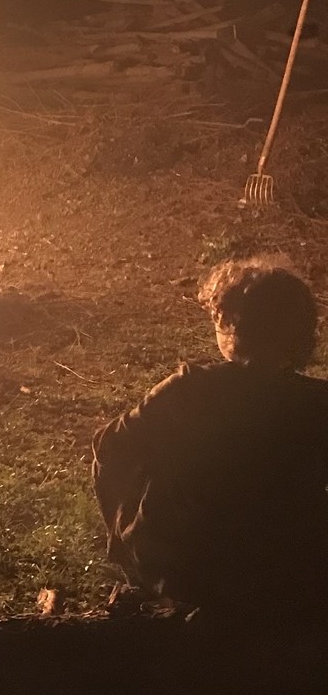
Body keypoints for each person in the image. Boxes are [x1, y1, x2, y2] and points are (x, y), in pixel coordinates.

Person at [92, 260, 328, 611]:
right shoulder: (319, 401)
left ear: (226, 322)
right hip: (295, 570)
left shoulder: (192, 388)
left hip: (193, 571)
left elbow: (109, 445)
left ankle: (139, 570)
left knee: (120, 452)